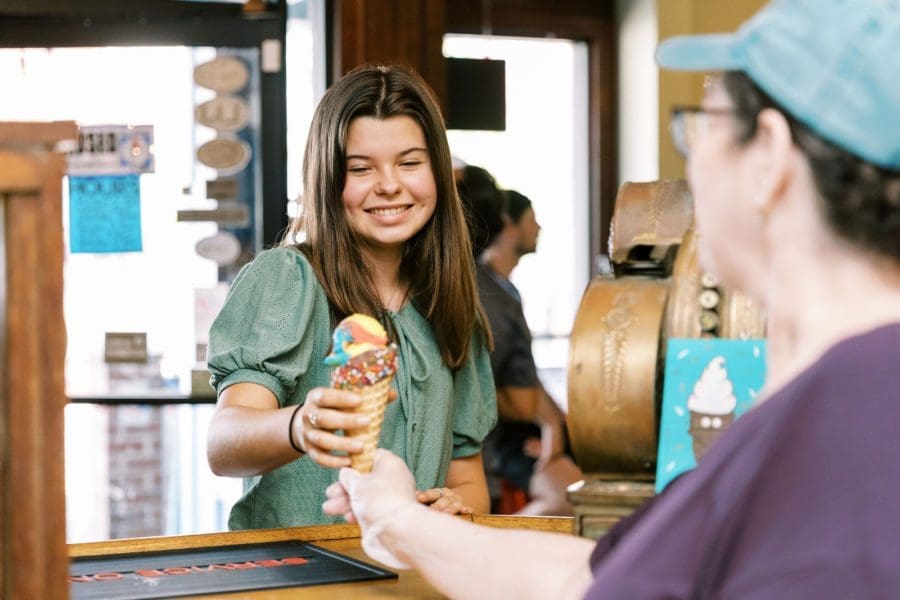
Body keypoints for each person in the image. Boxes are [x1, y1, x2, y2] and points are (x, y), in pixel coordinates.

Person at [323, 1, 900, 597]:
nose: (694, 159)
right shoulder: (830, 401)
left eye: (704, 124)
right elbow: (587, 579)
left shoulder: (842, 425)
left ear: (770, 158)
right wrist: (397, 517)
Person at [206, 64, 497, 530]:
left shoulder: (450, 305)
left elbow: (468, 480)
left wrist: (454, 507)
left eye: (409, 163)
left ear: (437, 173)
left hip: (407, 579)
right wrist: (300, 425)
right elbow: (224, 445)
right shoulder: (288, 279)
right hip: (296, 578)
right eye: (361, 168)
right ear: (328, 180)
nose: (388, 185)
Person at [469, 182, 583, 515]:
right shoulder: (489, 296)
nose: (539, 227)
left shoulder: (506, 293)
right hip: (501, 440)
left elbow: (525, 379)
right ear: (508, 225)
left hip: (519, 432)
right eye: (531, 219)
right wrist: (547, 423)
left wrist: (556, 423)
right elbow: (515, 397)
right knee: (568, 500)